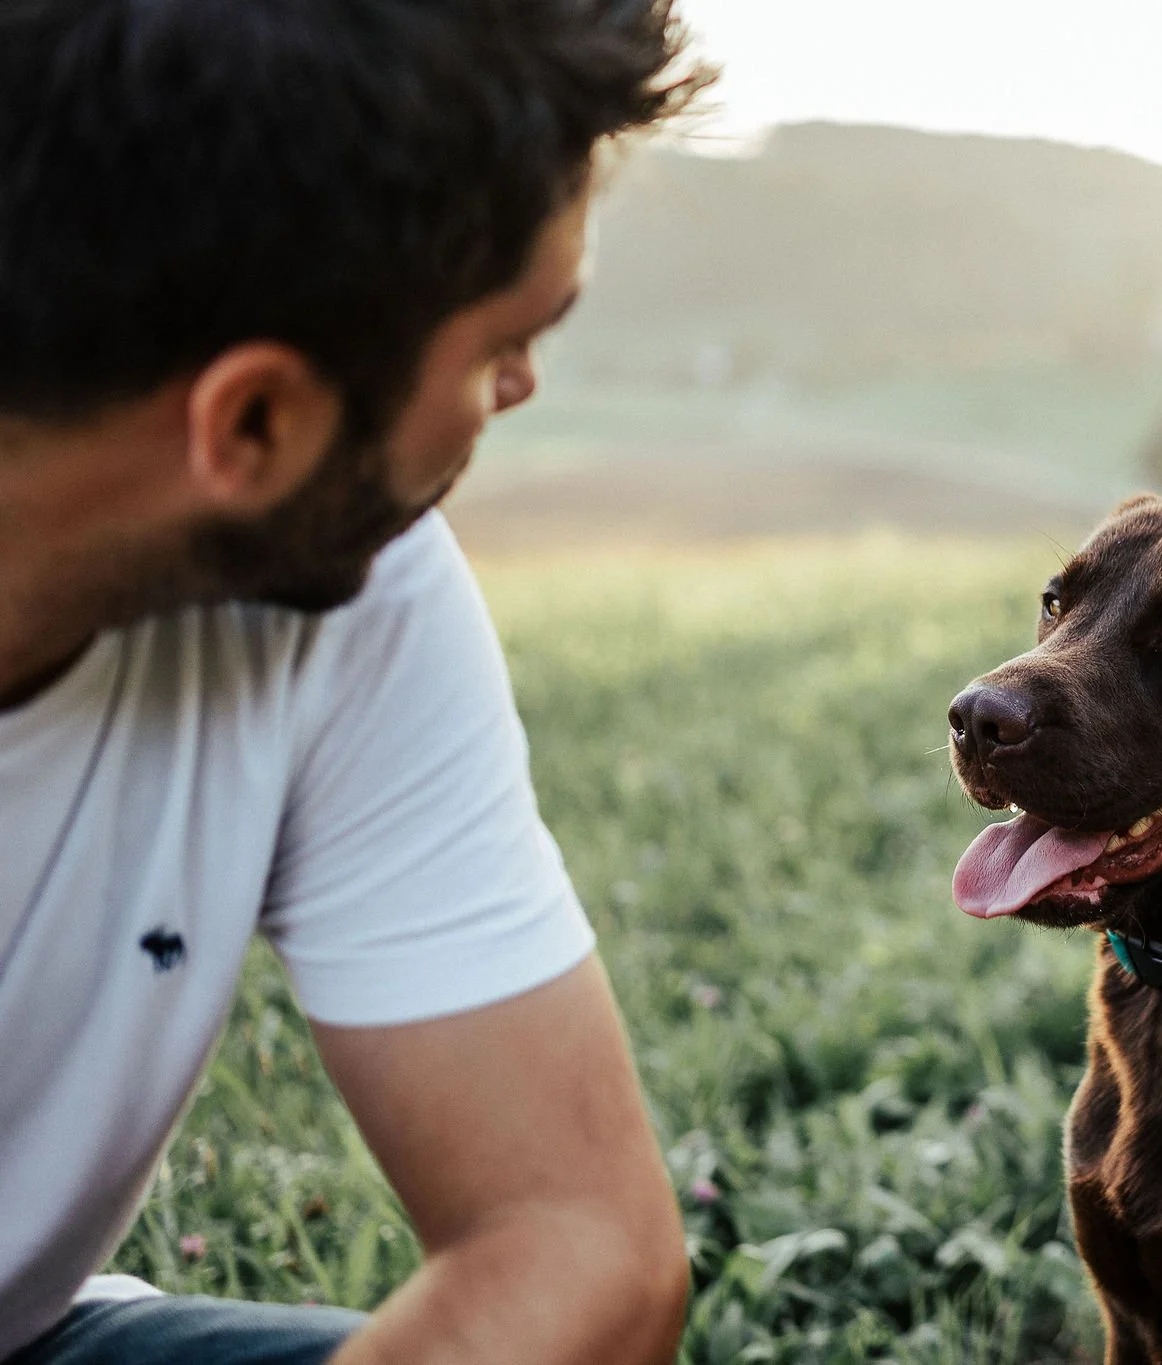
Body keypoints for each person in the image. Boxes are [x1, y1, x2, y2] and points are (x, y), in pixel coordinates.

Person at [0, 2, 713, 1361]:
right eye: (506, 340)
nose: (520, 392)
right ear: (253, 421)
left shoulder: (354, 592)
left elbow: (579, 1245)